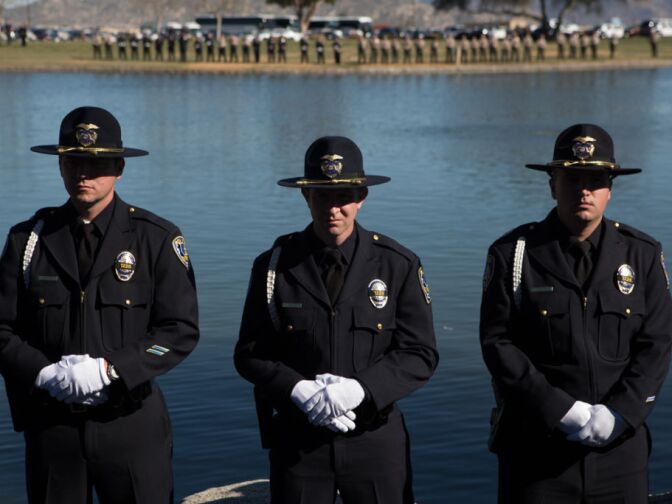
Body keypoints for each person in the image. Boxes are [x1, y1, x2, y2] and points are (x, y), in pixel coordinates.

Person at [0, 106, 199, 503]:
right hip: (52, 427)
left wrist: (113, 369)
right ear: (60, 166)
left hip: (130, 425)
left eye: (96, 164)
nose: (82, 174)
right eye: (72, 162)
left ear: (119, 168)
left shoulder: (156, 239)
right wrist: (42, 373)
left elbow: (179, 330)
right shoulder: (27, 241)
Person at [235, 136, 438, 504]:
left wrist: (361, 390)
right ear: (305, 195)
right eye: (322, 196)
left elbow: (420, 354)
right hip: (299, 442)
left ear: (361, 196)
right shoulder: (273, 267)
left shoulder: (397, 264)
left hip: (374, 441)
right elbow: (250, 354)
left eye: (343, 196)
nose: (334, 208)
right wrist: (297, 390)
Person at [480, 124, 672, 503]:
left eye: (595, 179)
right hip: (537, 451)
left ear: (610, 188)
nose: (584, 190)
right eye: (572, 178)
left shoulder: (642, 254)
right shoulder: (514, 254)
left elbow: (658, 343)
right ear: (553, 185)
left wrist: (621, 413)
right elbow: (498, 344)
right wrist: (560, 410)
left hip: (620, 452)